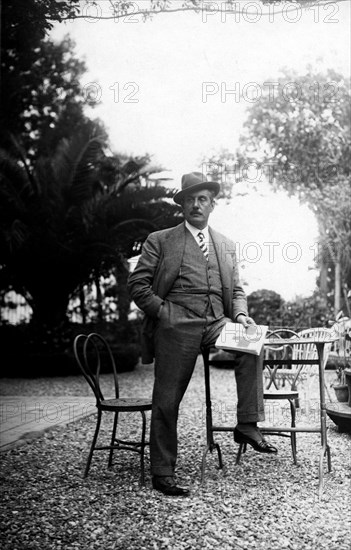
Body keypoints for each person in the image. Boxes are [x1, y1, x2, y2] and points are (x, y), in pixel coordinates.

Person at [128, 172, 277, 496]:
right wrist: (164, 313)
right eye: (190, 199)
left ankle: (246, 425)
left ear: (212, 204)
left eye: (202, 199)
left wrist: (240, 315)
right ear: (181, 204)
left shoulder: (225, 245)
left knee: (252, 342)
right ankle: (163, 471)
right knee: (167, 399)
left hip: (216, 322)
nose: (196, 205)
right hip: (176, 323)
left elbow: (236, 289)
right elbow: (137, 285)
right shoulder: (160, 240)